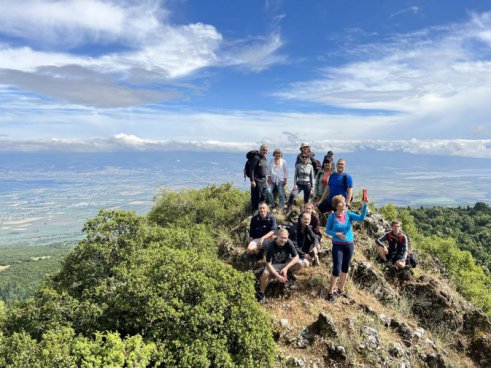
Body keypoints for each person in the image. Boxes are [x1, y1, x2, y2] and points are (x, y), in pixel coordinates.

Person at [325, 194, 368, 302]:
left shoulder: (348, 214)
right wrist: (336, 234)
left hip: (349, 245)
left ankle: (341, 290)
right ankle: (330, 292)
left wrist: (365, 205)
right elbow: (327, 230)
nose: (344, 204)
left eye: (344, 202)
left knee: (345, 268)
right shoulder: (332, 216)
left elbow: (361, 218)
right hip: (338, 245)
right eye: (341, 202)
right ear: (336, 205)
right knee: (336, 269)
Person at [257, 228, 300, 302]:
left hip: (285, 263)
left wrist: (286, 268)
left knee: (299, 264)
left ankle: (288, 273)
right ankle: (261, 293)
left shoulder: (288, 243)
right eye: (281, 238)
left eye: (285, 238)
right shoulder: (271, 246)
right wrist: (277, 276)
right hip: (274, 265)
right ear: (277, 236)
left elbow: (297, 257)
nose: (283, 240)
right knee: (266, 273)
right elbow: (268, 263)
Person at [248, 144, 271, 213]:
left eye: (266, 150)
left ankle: (262, 211)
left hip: (263, 181)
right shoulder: (256, 157)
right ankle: (255, 212)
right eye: (264, 150)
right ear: (260, 150)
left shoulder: (264, 159)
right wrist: (252, 180)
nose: (265, 151)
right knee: (256, 197)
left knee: (263, 196)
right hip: (257, 181)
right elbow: (251, 169)